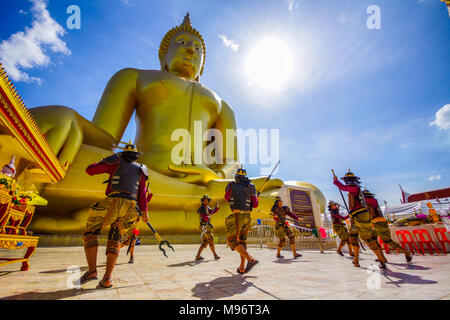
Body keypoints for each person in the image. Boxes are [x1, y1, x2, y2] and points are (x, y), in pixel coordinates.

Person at [79, 142, 149, 288]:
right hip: (131, 206)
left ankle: (92, 271)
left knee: (90, 232)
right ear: (136, 156)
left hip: (114, 200)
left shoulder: (116, 161)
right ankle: (107, 278)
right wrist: (145, 212)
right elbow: (142, 193)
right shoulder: (142, 169)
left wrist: (107, 160)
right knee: (116, 236)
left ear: (123, 154)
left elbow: (90, 170)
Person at [333, 170, 387, 268]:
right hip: (355, 216)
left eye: (347, 180)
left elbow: (343, 187)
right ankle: (356, 259)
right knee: (353, 236)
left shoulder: (354, 188)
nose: (346, 181)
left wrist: (336, 181)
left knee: (367, 238)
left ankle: (381, 259)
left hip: (361, 215)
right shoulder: (353, 190)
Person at [224, 166, 259, 274]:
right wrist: (254, 196)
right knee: (242, 242)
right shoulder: (251, 186)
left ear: (236, 177)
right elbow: (255, 204)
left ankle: (250, 259)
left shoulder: (231, 185)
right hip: (247, 217)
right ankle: (242, 267)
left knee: (232, 241)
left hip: (237, 216)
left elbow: (226, 197)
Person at [363, 189, 412, 263]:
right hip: (381, 221)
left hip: (373, 223)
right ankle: (382, 256)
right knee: (386, 241)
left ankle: (382, 257)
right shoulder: (374, 200)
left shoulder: (364, 201)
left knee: (375, 241)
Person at [195, 195, 220, 260]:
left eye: (207, 200)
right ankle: (215, 255)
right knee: (211, 239)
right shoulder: (202, 208)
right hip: (204, 226)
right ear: (203, 201)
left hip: (206, 226)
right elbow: (203, 217)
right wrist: (207, 218)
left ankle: (198, 255)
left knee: (205, 242)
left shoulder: (207, 207)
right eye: (204, 200)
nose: (206, 201)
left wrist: (216, 208)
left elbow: (212, 211)